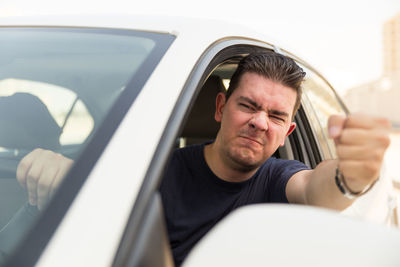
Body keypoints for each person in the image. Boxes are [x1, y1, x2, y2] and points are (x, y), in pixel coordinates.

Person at [15, 52, 391, 266]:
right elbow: (107, 199)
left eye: (276, 117)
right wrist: (75, 177)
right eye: (248, 105)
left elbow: (316, 189)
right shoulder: (154, 169)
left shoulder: (281, 177)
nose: (260, 122)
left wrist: (351, 178)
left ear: (287, 134)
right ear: (220, 107)